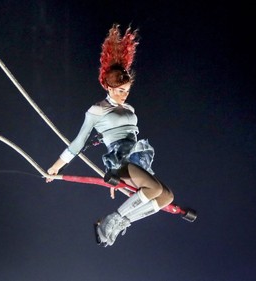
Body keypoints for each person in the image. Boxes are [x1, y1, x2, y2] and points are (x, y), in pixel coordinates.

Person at [46, 24, 174, 246]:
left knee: (166, 197)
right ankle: (109, 222)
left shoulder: (130, 109)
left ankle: (119, 222)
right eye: (120, 90)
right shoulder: (97, 110)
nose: (124, 95)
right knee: (153, 189)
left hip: (137, 157)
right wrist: (57, 166)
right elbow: (78, 141)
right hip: (120, 160)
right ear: (108, 86)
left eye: (127, 90)